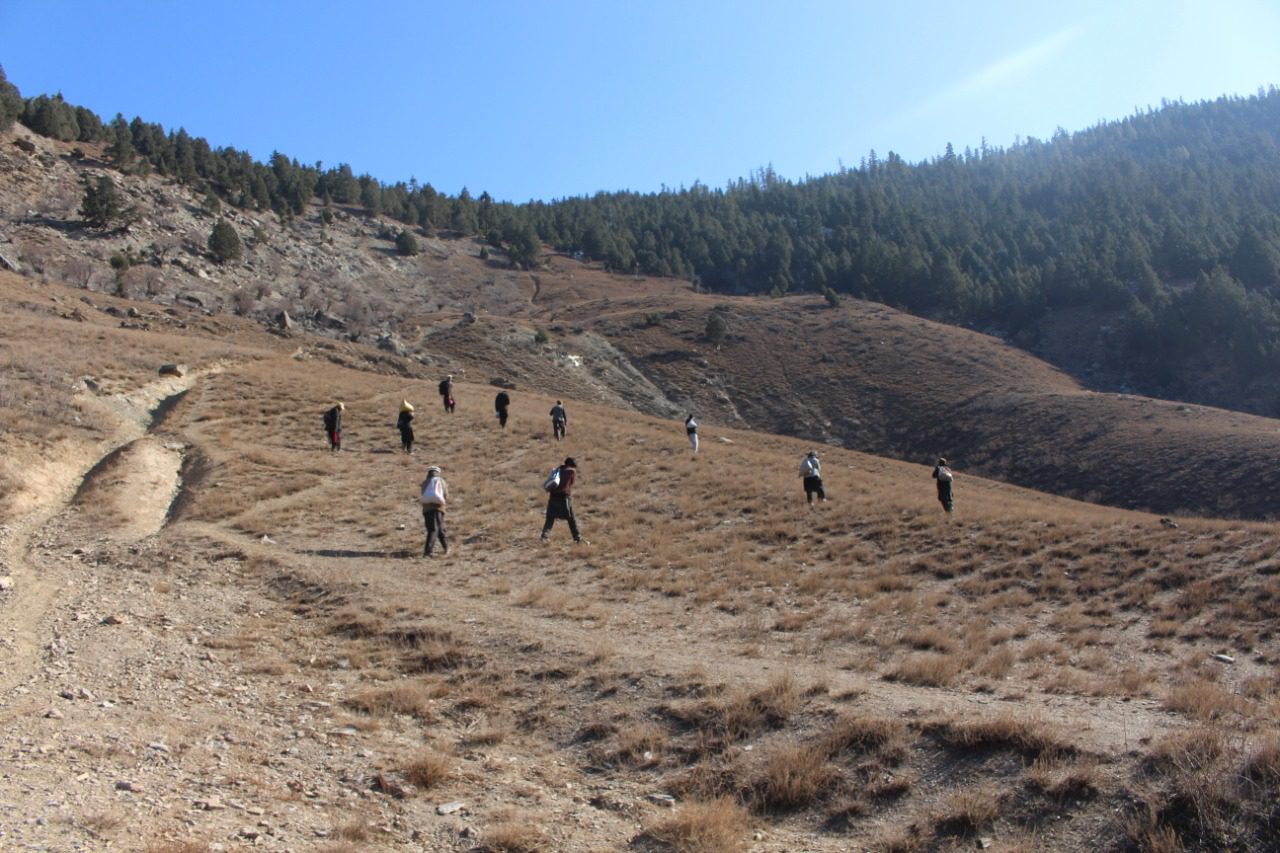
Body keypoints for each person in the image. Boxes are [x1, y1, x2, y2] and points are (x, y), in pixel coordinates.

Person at [541, 456, 585, 543]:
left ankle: (544, 537)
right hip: (564, 497)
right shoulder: (572, 472)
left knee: (550, 517)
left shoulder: (558, 469)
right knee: (571, 518)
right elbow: (571, 483)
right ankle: (577, 538)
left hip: (553, 496)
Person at [419, 465, 449, 557]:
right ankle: (428, 552)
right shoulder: (441, 481)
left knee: (438, 529)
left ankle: (446, 548)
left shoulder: (424, 482)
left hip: (426, 510)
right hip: (438, 508)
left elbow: (423, 495)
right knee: (435, 529)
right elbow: (445, 494)